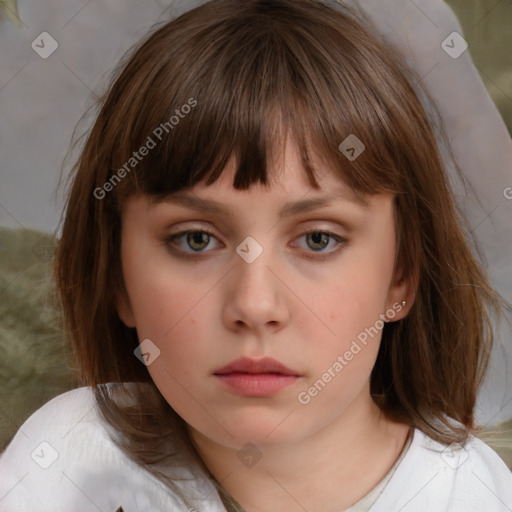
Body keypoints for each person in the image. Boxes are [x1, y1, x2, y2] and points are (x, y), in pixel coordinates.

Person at [0, 0, 511, 511]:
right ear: (117, 278)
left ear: (401, 275)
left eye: (318, 239)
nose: (255, 304)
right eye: (195, 239)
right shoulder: (66, 464)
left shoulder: (473, 495)